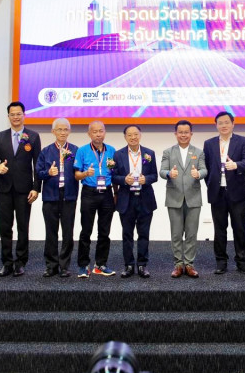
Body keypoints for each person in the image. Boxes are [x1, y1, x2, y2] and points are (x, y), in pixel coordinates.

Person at [0, 101, 41, 278]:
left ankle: (20, 262)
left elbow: (38, 164)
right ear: (8, 116)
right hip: (4, 189)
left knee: (22, 226)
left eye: (19, 114)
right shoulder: (0, 136)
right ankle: (7, 262)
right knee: (5, 227)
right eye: (12, 114)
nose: (16, 117)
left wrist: (36, 188)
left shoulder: (33, 136)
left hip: (24, 190)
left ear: (24, 115)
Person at [203, 111, 245, 274]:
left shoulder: (243, 141)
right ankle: (221, 262)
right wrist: (211, 184)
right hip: (217, 193)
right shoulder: (209, 143)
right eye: (220, 123)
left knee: (239, 228)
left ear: (233, 124)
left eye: (226, 122)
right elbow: (207, 167)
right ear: (216, 125)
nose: (223, 125)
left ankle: (242, 261)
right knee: (219, 229)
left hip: (237, 192)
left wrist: (236, 165)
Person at [160, 120, 207, 278]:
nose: (183, 135)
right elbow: (162, 171)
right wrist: (169, 174)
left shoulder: (198, 152)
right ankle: (178, 264)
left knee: (191, 234)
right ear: (175, 134)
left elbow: (204, 170)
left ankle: (189, 264)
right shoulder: (168, 152)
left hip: (193, 198)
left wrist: (198, 174)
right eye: (180, 132)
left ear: (191, 134)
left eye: (186, 132)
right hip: (174, 197)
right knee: (176, 234)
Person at [35, 118, 79, 278]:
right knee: (51, 232)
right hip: (50, 196)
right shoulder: (46, 151)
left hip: (69, 196)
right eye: (59, 129)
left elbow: (79, 171)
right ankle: (51, 265)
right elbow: (38, 173)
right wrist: (48, 173)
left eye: (65, 129)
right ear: (53, 131)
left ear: (69, 131)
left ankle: (64, 266)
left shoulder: (75, 150)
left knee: (68, 233)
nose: (62, 132)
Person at [73, 120, 117, 278]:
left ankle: (100, 264)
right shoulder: (82, 151)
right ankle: (83, 265)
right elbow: (76, 175)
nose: (98, 134)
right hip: (89, 193)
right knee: (86, 231)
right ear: (89, 134)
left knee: (104, 231)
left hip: (107, 193)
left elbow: (115, 174)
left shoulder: (111, 150)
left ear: (105, 132)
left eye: (101, 131)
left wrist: (116, 194)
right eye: (95, 131)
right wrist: (86, 173)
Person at [113, 125, 158, 278]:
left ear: (140, 135)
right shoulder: (118, 154)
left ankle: (142, 265)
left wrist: (147, 179)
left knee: (144, 234)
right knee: (127, 234)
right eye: (130, 135)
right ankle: (129, 265)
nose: (133, 137)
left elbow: (154, 175)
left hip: (145, 198)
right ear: (125, 137)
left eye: (136, 134)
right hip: (126, 199)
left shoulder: (149, 153)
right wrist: (124, 180)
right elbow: (113, 177)